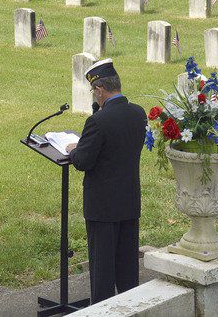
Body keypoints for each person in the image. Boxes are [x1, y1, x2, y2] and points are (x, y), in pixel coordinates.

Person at [65, 59, 146, 305]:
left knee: (102, 271)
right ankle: (131, 308)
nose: (94, 95)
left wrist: (73, 149)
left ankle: (102, 310)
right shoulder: (138, 113)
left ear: (99, 89)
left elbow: (83, 161)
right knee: (127, 266)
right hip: (128, 200)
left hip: (102, 206)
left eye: (93, 91)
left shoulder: (98, 122)